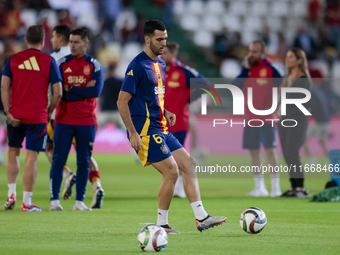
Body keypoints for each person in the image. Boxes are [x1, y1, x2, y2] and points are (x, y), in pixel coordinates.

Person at [117, 20, 226, 234]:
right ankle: (162, 224)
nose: (163, 43)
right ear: (147, 39)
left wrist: (165, 111)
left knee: (189, 164)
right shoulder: (137, 65)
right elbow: (122, 101)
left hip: (162, 126)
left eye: (165, 39)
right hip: (146, 130)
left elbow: (154, 96)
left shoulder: (161, 64)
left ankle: (202, 217)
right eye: (159, 39)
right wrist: (132, 132)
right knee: (171, 172)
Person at [2, 25, 62, 211]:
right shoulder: (48, 60)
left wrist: (8, 113)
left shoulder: (14, 59)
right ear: (43, 42)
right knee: (32, 157)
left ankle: (11, 193)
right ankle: (27, 202)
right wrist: (49, 110)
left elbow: (4, 87)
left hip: (16, 115)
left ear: (26, 40)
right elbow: (58, 92)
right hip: (37, 116)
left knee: (13, 151)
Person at [48, 25, 104, 209]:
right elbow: (61, 93)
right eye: (70, 42)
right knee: (58, 160)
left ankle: (79, 201)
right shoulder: (62, 63)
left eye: (76, 42)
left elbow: (95, 91)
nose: (72, 45)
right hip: (63, 120)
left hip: (87, 121)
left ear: (86, 43)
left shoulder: (94, 65)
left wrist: (72, 89)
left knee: (83, 161)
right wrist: (82, 90)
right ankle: (54, 201)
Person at [234, 40, 283, 197]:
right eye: (250, 51)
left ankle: (275, 186)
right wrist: (246, 69)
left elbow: (285, 87)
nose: (251, 55)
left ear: (262, 52)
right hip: (250, 118)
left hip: (267, 118)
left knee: (270, 151)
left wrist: (279, 105)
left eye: (255, 51)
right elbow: (235, 86)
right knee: (254, 152)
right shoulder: (247, 69)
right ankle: (260, 186)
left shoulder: (271, 69)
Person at [161, 41, 206, 198]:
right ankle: (172, 185)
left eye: (165, 52)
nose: (162, 55)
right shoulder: (157, 69)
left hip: (179, 121)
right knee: (165, 156)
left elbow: (204, 84)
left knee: (176, 156)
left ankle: (178, 187)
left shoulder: (184, 71)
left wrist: (189, 99)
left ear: (173, 54)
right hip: (159, 122)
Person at [279, 48, 312, 198]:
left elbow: (296, 101)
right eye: (287, 56)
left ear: (299, 60)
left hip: (297, 121)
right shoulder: (287, 78)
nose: (287, 59)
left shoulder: (303, 79)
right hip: (284, 120)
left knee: (292, 153)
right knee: (287, 154)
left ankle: (300, 188)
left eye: (291, 57)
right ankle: (294, 187)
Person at [303, 83, 331, 164]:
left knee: (303, 139)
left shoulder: (311, 93)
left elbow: (312, 107)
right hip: (326, 120)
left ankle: (312, 160)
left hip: (320, 122)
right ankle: (332, 161)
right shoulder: (318, 90)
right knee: (322, 141)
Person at [98, 63, 124, 130]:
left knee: (96, 128)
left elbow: (100, 99)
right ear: (115, 70)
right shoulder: (120, 82)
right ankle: (131, 141)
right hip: (116, 112)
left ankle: (91, 140)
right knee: (127, 129)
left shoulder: (103, 82)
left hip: (105, 111)